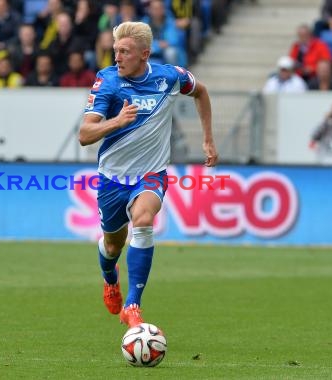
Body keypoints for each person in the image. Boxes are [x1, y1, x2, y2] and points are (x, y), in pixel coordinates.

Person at [78, 21, 218, 328]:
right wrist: (116, 122)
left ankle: (133, 305)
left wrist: (207, 138)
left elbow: (201, 92)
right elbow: (85, 134)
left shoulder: (168, 77)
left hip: (151, 174)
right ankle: (110, 279)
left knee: (142, 221)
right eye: (115, 51)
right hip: (112, 178)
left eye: (124, 52)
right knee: (113, 245)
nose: (117, 57)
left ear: (145, 54)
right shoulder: (108, 81)